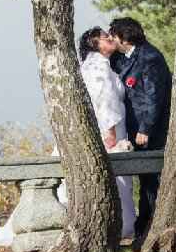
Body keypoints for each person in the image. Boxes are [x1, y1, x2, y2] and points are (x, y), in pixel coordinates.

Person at [57, 26, 136, 240]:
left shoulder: (96, 65)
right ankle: (121, 225)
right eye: (104, 36)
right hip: (107, 130)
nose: (110, 38)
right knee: (116, 178)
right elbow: (104, 99)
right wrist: (110, 132)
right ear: (93, 43)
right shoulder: (98, 66)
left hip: (108, 127)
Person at [108, 17, 172, 250]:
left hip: (151, 131)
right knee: (145, 182)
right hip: (133, 129)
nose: (111, 38)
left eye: (113, 34)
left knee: (151, 181)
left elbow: (154, 97)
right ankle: (143, 229)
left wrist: (145, 128)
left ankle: (151, 231)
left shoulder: (150, 58)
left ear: (124, 38)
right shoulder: (124, 56)